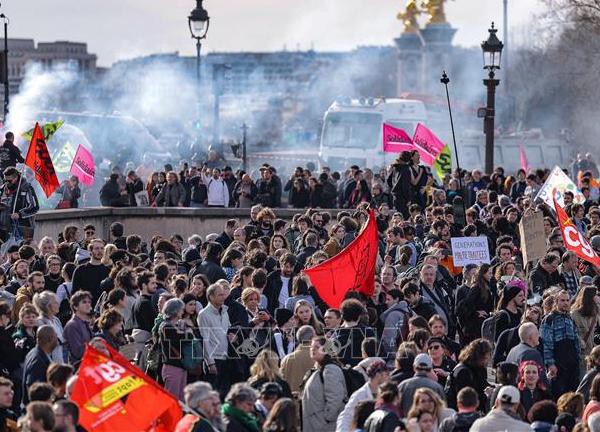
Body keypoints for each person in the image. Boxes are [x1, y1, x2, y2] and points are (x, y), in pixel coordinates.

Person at [541, 289, 581, 397]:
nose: (566, 303)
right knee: (558, 395)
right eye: (562, 300)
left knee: (572, 395)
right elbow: (546, 344)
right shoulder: (549, 319)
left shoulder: (570, 318)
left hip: (572, 363)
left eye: (567, 300)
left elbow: (576, 341)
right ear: (556, 301)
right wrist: (550, 363)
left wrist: (578, 358)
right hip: (558, 363)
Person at [301, 336, 346, 432]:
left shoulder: (330, 369)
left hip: (324, 426)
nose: (312, 349)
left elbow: (335, 398)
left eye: (317, 347)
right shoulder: (318, 369)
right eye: (311, 347)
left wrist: (326, 418)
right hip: (317, 424)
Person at [336, 359, 388, 432]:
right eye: (386, 374)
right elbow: (346, 416)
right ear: (378, 375)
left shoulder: (385, 392)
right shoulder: (359, 395)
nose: (388, 377)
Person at [198, 283, 231, 398]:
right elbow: (205, 340)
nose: (223, 297)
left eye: (223, 294)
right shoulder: (204, 314)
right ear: (211, 297)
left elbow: (228, 330)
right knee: (212, 395)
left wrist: (232, 335)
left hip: (226, 358)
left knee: (224, 394)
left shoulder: (225, 311)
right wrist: (210, 363)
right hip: (214, 360)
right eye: (220, 295)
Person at [446, 338, 492, 411]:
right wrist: (486, 395)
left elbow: (482, 384)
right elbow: (465, 396)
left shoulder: (477, 368)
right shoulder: (463, 371)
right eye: (487, 356)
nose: (488, 359)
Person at [159, 298, 188, 401]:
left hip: (180, 366)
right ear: (175, 310)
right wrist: (187, 333)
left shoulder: (175, 325)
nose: (183, 311)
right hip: (172, 367)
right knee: (172, 400)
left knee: (181, 402)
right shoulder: (166, 326)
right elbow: (181, 341)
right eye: (181, 309)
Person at [0, 167, 39, 241]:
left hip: (21, 227)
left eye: (9, 180)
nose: (7, 182)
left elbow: (34, 206)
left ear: (16, 177)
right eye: (5, 180)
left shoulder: (26, 188)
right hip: (3, 228)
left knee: (21, 250)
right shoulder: (2, 189)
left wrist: (19, 214)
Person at [23, 325, 58, 405]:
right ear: (50, 339)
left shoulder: (37, 353)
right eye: (56, 336)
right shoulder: (37, 360)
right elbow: (34, 388)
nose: (58, 339)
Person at [71, 238, 110, 307]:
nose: (100, 251)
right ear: (90, 251)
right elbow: (74, 293)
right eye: (97, 248)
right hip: (85, 309)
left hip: (103, 310)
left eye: (102, 248)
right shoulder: (80, 270)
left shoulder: (108, 270)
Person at [280, 325, 315, 395]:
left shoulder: (287, 359)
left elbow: (282, 381)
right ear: (312, 338)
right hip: (309, 400)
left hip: (290, 400)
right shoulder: (316, 357)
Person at [62, 291, 94, 365]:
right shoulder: (72, 325)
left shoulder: (84, 323)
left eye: (89, 302)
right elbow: (78, 352)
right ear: (75, 307)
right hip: (79, 368)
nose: (88, 305)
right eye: (84, 302)